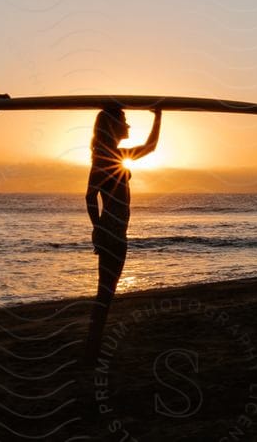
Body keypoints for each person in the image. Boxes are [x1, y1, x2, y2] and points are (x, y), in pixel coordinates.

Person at [82, 105, 161, 364]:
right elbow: (90, 195)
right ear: (112, 126)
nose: (128, 125)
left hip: (115, 233)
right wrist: (98, 227)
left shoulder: (114, 155)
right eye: (124, 120)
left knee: (106, 293)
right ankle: (91, 350)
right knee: (105, 293)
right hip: (112, 234)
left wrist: (158, 115)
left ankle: (93, 347)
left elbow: (150, 147)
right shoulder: (105, 159)